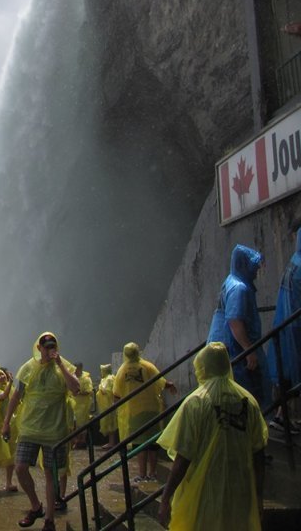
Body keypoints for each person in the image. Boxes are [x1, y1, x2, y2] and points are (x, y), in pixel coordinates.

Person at [157, 342, 267, 530]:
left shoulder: (196, 402)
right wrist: (258, 495)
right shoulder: (249, 401)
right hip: (240, 489)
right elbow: (258, 453)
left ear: (203, 368)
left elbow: (183, 456)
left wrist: (166, 497)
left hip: (204, 490)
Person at [1, 332, 79, 530]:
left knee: (51, 475)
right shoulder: (27, 368)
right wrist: (6, 422)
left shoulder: (65, 367)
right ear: (39, 348)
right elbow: (15, 396)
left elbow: (75, 389)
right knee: (20, 467)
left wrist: (60, 364)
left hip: (55, 431)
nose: (50, 350)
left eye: (53, 346)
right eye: (47, 347)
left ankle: (49, 520)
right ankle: (36, 506)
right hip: (29, 428)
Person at [207, 244, 269, 408]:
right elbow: (235, 321)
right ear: (244, 265)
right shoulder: (239, 288)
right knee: (246, 394)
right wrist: (249, 350)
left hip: (224, 345)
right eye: (253, 266)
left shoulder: (230, 281)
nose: (256, 270)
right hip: (234, 348)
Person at [113, 342, 176, 482]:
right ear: (138, 352)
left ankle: (142, 474)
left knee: (138, 444)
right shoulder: (148, 366)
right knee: (152, 444)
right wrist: (170, 385)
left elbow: (116, 394)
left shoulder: (122, 371)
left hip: (134, 412)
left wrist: (115, 408)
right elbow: (161, 381)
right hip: (151, 409)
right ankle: (152, 474)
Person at [267, 224, 301, 433]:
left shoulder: (293, 263)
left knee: (287, 373)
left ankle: (281, 416)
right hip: (296, 328)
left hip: (287, 325)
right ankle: (281, 417)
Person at [95, 364, 118, 449]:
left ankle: (112, 442)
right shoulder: (109, 378)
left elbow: (106, 391)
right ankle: (110, 442)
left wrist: (100, 389)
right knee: (109, 423)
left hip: (108, 405)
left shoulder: (108, 379)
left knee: (110, 424)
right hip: (106, 405)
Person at [72, 363, 93, 448]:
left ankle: (82, 441)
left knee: (83, 425)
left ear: (80, 369)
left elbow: (89, 391)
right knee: (74, 424)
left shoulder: (86, 378)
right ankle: (76, 441)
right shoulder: (72, 377)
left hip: (83, 406)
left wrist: (79, 392)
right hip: (74, 405)